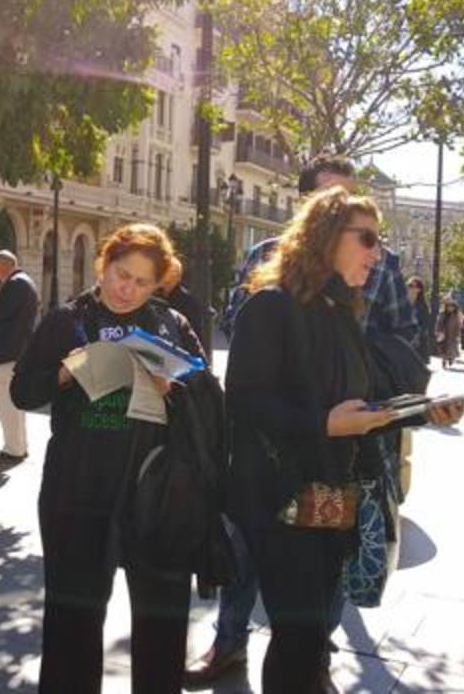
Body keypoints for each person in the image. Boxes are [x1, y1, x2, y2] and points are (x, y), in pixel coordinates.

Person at [226, 187, 463, 693]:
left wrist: (419, 414)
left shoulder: (341, 312)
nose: (377, 254)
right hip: (280, 502)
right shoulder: (270, 306)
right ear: (327, 237)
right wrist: (324, 425)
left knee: (311, 636)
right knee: (296, 635)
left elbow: (360, 405)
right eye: (368, 240)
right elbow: (245, 402)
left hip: (332, 500)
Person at [11, 223, 206, 694]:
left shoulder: (170, 324)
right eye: (121, 274)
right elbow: (23, 390)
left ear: (157, 284)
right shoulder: (66, 320)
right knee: (72, 620)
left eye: (142, 282)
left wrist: (173, 387)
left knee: (162, 622)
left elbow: (205, 397)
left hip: (155, 491)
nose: (127, 289)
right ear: (104, 264)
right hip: (78, 489)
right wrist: (67, 371)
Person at [187, 155, 357, 686]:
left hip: (331, 475)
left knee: (309, 610)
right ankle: (232, 645)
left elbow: (394, 347)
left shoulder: (352, 291)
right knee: (265, 578)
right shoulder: (269, 280)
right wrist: (322, 419)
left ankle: (314, 662)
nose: (374, 248)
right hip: (276, 477)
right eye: (335, 204)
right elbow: (249, 382)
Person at [219, 155, 356, 339]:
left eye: (350, 199)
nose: (343, 209)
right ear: (303, 202)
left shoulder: (377, 262)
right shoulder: (264, 255)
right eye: (331, 198)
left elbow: (402, 337)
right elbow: (236, 323)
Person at [0, 249, 38, 464]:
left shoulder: (15, 284)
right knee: (13, 401)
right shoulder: (24, 282)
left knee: (2, 400)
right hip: (14, 350)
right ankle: (18, 445)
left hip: (5, 352)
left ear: (2, 266)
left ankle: (13, 448)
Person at [407, 277, 433, 362]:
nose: (412, 288)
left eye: (415, 286)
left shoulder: (423, 306)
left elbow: (425, 325)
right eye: (410, 285)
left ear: (420, 289)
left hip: (416, 343)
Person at [436, 301, 461, 369]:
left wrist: (458, 335)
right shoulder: (442, 314)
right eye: (449, 306)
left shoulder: (456, 315)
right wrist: (438, 331)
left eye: (452, 307)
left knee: (451, 349)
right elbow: (438, 323)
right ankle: (444, 360)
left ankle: (450, 358)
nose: (450, 308)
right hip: (443, 334)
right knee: (443, 348)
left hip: (452, 335)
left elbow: (458, 326)